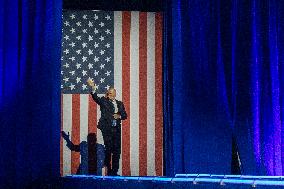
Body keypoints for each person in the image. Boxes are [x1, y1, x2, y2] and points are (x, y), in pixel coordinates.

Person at [87, 79, 127, 176]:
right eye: (109, 93)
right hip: (107, 129)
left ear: (115, 94)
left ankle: (115, 172)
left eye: (112, 93)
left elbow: (125, 115)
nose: (110, 95)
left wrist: (119, 116)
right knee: (109, 149)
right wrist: (93, 87)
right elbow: (95, 97)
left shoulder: (120, 103)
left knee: (117, 150)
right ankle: (109, 170)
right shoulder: (104, 101)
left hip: (116, 129)